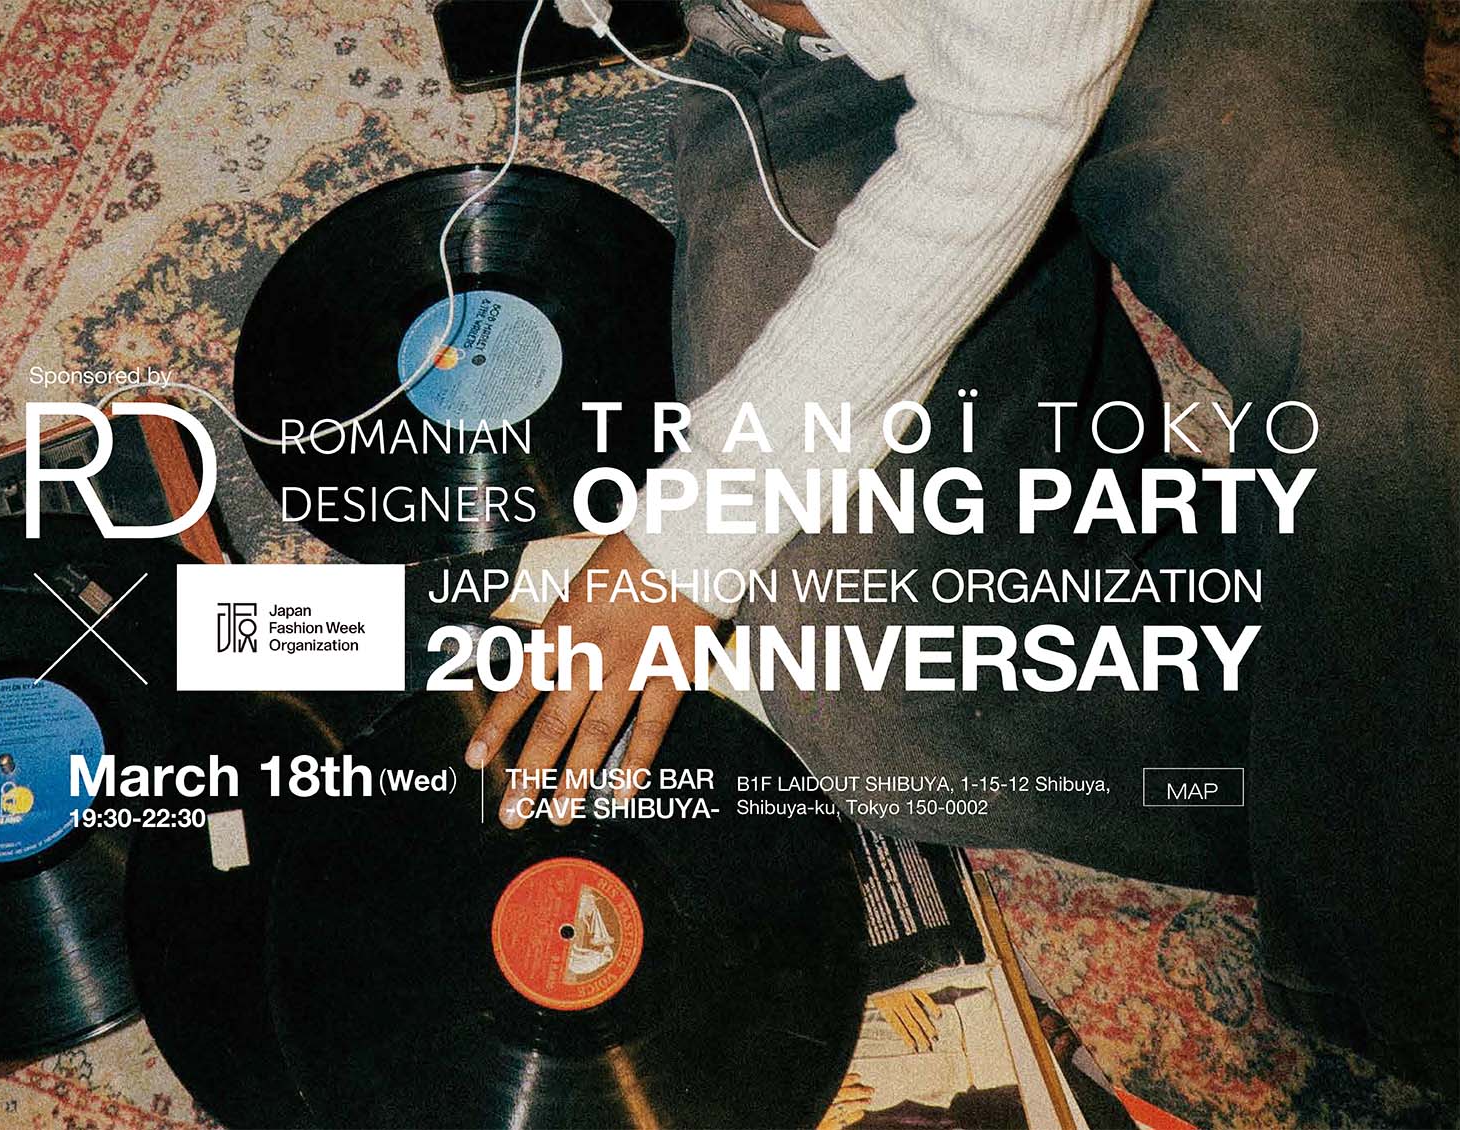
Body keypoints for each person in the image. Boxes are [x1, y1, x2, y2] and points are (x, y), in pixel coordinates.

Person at [464, 0, 1459, 1097]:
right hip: (817, 68)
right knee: (871, 693)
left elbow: (1004, 131)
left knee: (1408, 367)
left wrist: (682, 543)